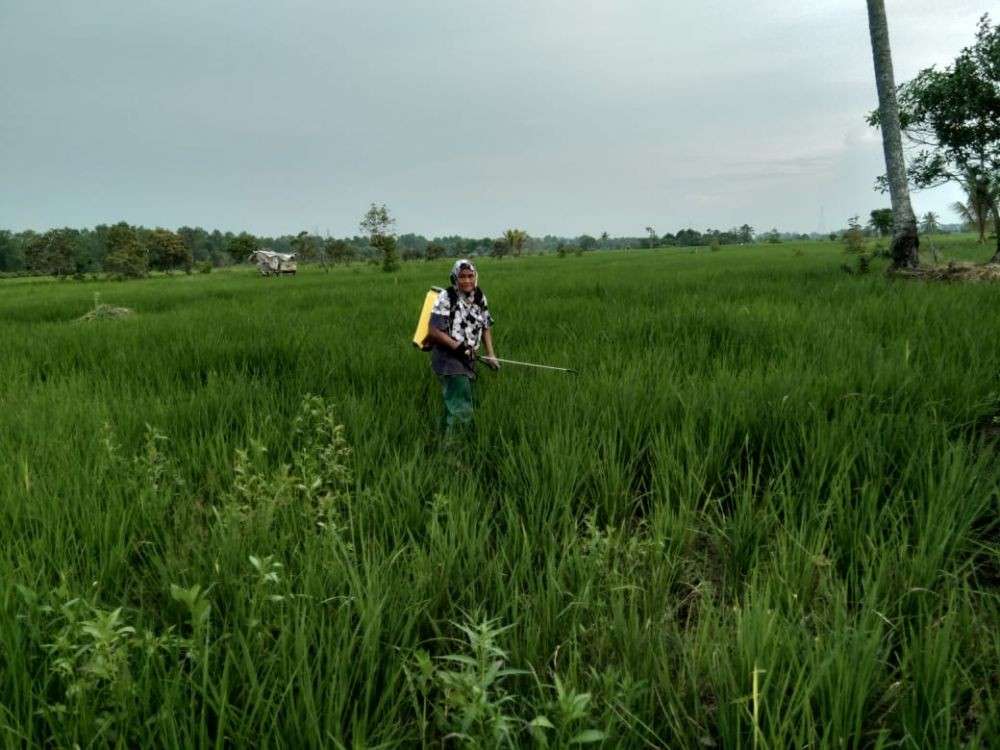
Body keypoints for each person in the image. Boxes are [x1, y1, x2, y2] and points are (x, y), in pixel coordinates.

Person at [424, 259, 499, 437]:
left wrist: (490, 354)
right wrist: (457, 347)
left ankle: (444, 438)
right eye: (462, 276)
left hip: (468, 357)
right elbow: (433, 331)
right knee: (461, 408)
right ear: (454, 278)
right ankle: (455, 451)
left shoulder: (479, 296)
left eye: (470, 276)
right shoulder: (447, 297)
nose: (466, 280)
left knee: (457, 402)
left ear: (476, 277)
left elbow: (486, 325)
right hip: (448, 358)